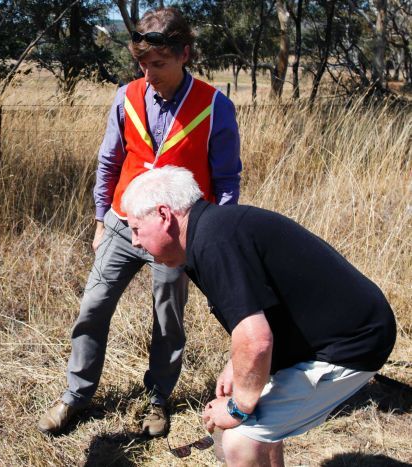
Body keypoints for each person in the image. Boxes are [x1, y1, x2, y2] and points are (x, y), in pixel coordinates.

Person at [37, 7, 242, 436]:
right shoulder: (125, 96)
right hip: (121, 222)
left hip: (177, 235)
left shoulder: (215, 105)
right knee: (93, 305)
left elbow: (226, 181)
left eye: (159, 64)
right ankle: (76, 395)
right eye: (142, 64)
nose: (149, 75)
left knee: (168, 317)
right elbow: (109, 160)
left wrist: (211, 238)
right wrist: (99, 220)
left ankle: (157, 399)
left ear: (185, 54)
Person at [122, 166, 397, 466]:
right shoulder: (212, 231)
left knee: (239, 439)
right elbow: (260, 315)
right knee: (251, 420)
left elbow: (256, 342)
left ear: (164, 215)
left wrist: (237, 407)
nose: (135, 241)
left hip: (352, 344)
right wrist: (236, 366)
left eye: (137, 229)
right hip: (343, 332)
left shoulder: (213, 243)